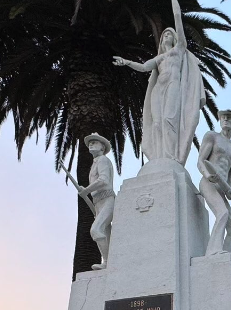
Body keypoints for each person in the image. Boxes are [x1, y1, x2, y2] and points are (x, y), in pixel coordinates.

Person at [112, 0, 204, 166]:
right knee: (157, 123)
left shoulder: (179, 50)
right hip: (159, 89)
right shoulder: (159, 58)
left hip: (173, 85)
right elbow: (143, 67)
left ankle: (172, 157)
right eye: (164, 35)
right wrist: (126, 62)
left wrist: (174, 3)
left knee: (169, 119)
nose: (166, 36)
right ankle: (158, 157)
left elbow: (178, 20)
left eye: (169, 34)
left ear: (175, 38)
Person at [197, 110, 231, 255]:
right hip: (208, 183)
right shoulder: (212, 136)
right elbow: (200, 161)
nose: (226, 119)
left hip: (223, 188)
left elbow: (230, 177)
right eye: (223, 117)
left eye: (229, 117)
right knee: (222, 213)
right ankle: (213, 251)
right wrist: (208, 175)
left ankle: (227, 257)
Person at [79, 133, 115, 270]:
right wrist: (87, 190)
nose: (91, 144)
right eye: (89, 143)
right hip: (98, 202)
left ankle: (106, 262)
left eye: (94, 142)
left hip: (107, 200)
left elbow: (104, 180)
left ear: (102, 147)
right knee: (106, 234)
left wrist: (86, 190)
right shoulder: (95, 163)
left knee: (96, 229)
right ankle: (108, 261)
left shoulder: (103, 160)